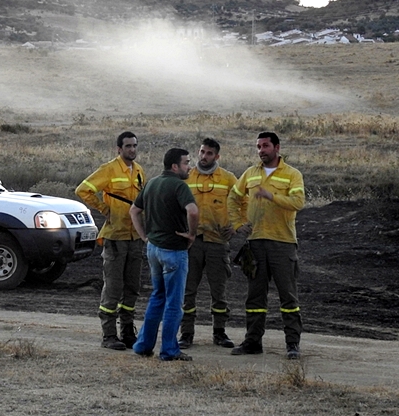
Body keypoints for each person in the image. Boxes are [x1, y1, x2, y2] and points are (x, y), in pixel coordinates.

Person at [227, 131, 305, 359]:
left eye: (265, 146)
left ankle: (292, 345)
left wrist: (271, 196)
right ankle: (252, 342)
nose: (261, 150)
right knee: (254, 298)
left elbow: (298, 202)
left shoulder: (292, 174)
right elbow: (233, 197)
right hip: (255, 243)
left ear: (277, 147)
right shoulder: (250, 174)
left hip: (283, 243)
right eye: (258, 147)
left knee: (288, 296)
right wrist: (238, 223)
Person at [75, 131, 146, 350]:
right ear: (119, 149)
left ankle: (127, 332)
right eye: (128, 146)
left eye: (134, 146)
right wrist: (105, 209)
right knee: (113, 287)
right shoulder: (109, 169)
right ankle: (108, 335)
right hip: (115, 236)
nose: (132, 150)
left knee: (132, 287)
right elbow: (83, 190)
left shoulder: (140, 171)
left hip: (134, 236)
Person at [130, 148, 198, 361]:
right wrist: (192, 234)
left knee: (157, 297)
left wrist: (144, 236)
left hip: (154, 249)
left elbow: (134, 210)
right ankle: (169, 350)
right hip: (174, 251)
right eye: (186, 163)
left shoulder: (152, 183)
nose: (190, 166)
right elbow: (193, 211)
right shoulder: (179, 185)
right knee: (173, 302)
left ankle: (143, 345)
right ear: (175, 166)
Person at [178, 138, 239, 350]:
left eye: (209, 153)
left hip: (217, 243)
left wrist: (236, 227)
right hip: (191, 243)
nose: (204, 157)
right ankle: (186, 334)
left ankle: (219, 333)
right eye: (202, 152)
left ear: (217, 156)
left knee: (219, 292)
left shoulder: (228, 179)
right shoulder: (187, 177)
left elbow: (244, 202)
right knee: (188, 291)